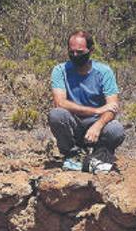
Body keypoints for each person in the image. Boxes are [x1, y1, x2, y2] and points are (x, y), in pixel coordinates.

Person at [48, 30, 125, 174]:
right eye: (72, 52)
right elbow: (60, 103)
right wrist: (96, 110)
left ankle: (98, 156)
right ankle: (73, 154)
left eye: (80, 52)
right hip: (74, 122)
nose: (75, 56)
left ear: (91, 50)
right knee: (56, 115)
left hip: (95, 125)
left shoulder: (104, 72)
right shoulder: (60, 70)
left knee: (116, 129)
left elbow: (112, 107)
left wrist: (98, 124)